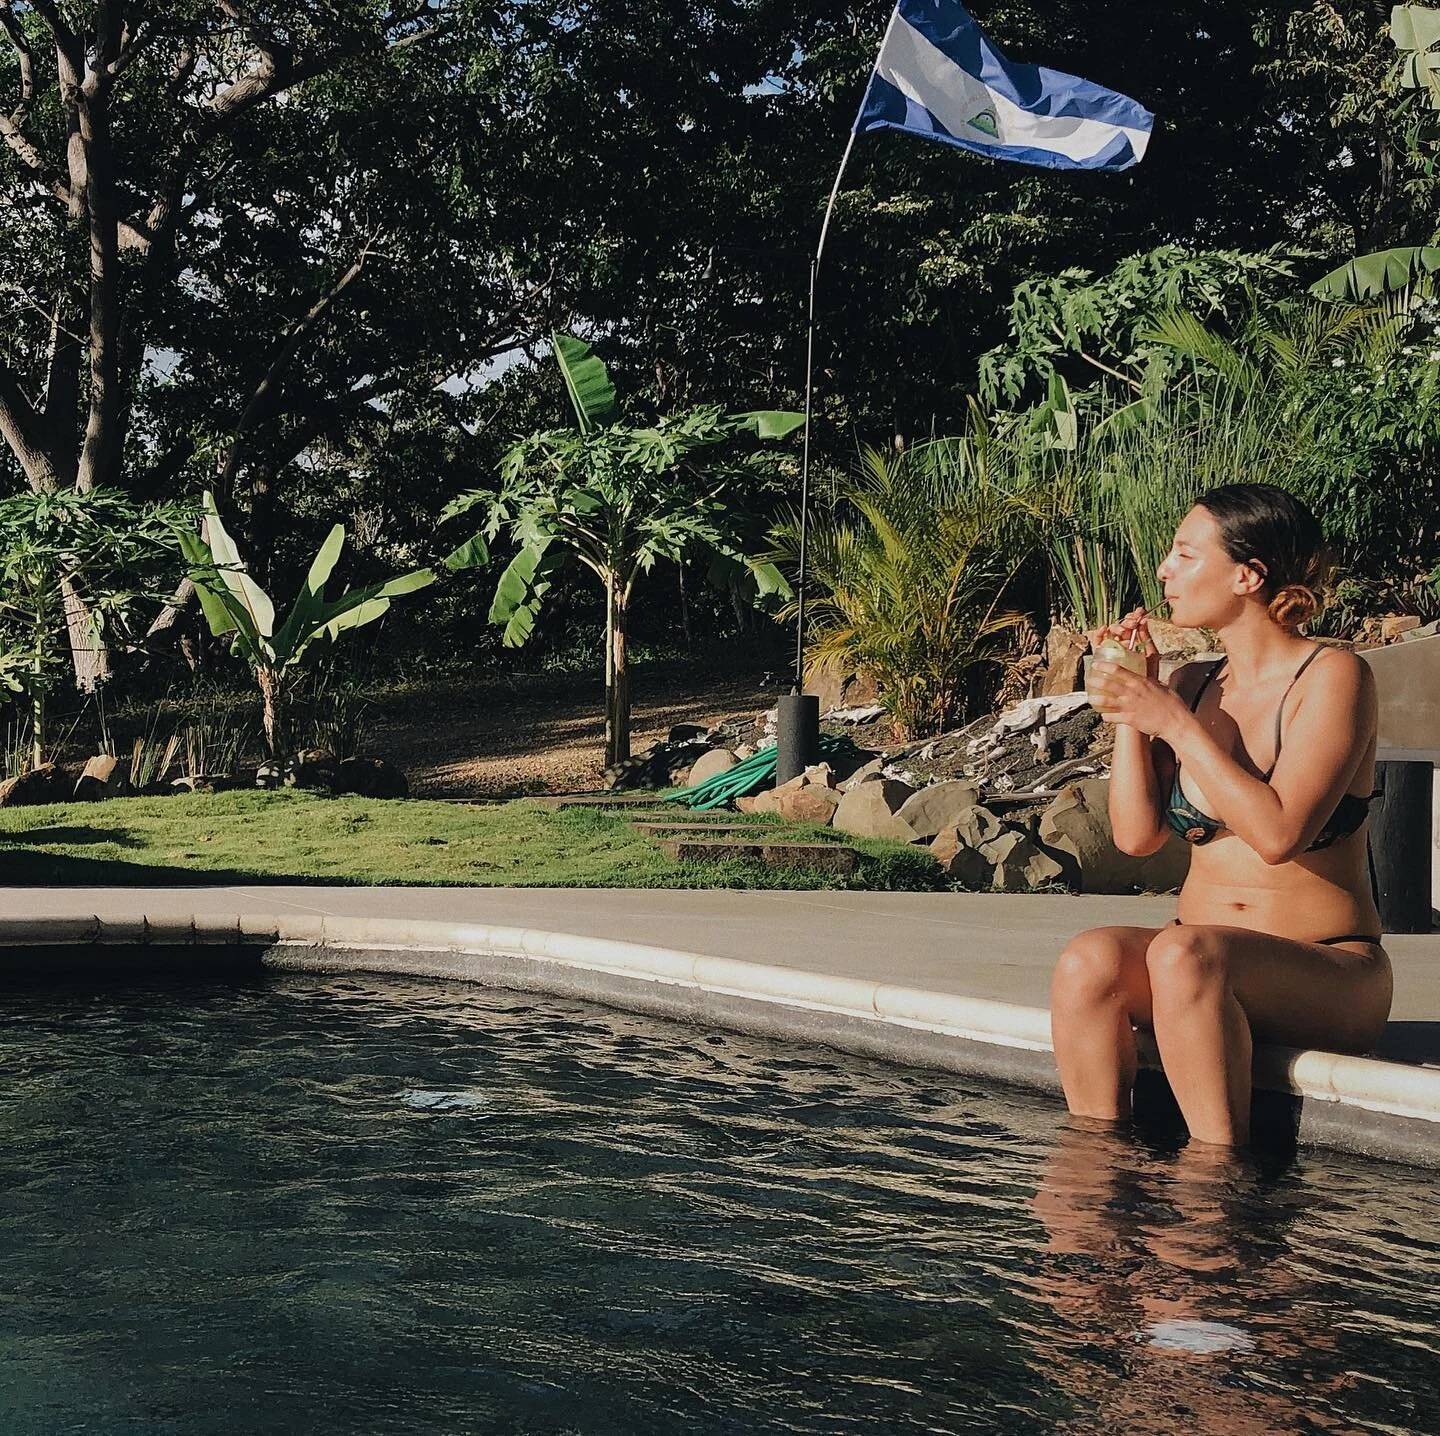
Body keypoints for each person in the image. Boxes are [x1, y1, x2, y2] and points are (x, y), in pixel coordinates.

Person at [1050, 483, 1393, 1147]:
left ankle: (1214, 1194)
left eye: (1183, 554)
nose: (1163, 570)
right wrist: (1135, 706)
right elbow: (1137, 835)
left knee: (1182, 952)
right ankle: (1093, 1178)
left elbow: (1278, 834)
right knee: (1087, 960)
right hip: (1196, 963)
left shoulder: (1334, 677)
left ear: (1246, 575)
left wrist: (1174, 724)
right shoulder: (1194, 681)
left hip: (1329, 973)